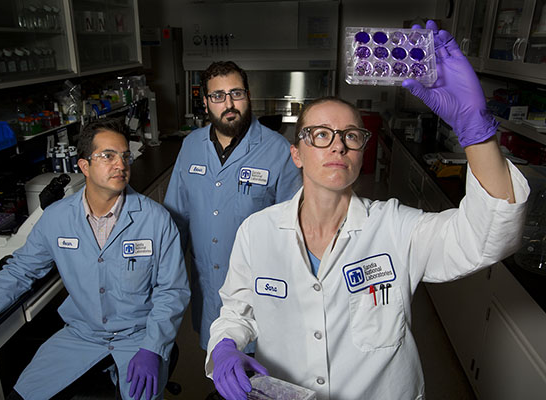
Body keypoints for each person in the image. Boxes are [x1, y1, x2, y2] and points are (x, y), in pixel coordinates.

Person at [205, 21, 530, 400]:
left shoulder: (396, 227)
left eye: (351, 136)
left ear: (361, 152)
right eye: (321, 134)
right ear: (296, 153)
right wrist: (225, 344)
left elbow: (487, 237)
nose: (337, 146)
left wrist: (475, 128)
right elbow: (236, 312)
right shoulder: (256, 232)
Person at [0, 119, 190, 400]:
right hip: (80, 336)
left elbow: (172, 291)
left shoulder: (156, 219)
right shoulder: (57, 218)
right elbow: (22, 269)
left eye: (125, 156)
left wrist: (153, 347)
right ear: (84, 166)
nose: (121, 165)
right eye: (107, 156)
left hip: (140, 336)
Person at [163, 61, 302, 353]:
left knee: (260, 367)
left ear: (248, 96)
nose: (228, 104)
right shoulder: (191, 146)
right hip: (207, 280)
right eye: (218, 96)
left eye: (236, 93)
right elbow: (177, 219)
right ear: (205, 102)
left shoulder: (277, 150)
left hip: (260, 286)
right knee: (218, 358)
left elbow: (295, 230)